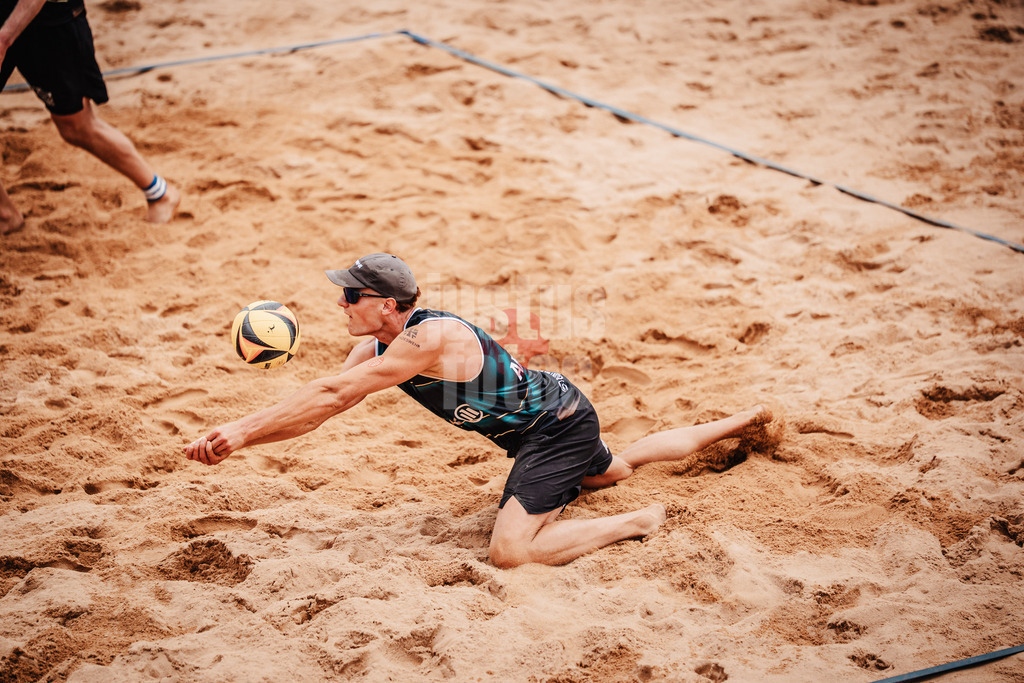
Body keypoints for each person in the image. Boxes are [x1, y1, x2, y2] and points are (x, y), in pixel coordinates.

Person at [183, 253, 773, 568]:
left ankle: (637, 522)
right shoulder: (374, 345)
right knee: (611, 470)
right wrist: (241, 441)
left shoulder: (430, 338)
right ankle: (747, 418)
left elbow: (332, 394)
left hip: (553, 427)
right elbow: (320, 410)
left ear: (388, 304)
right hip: (559, 410)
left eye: (352, 295)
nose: (340, 301)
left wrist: (238, 426)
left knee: (510, 552)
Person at [0, 0, 180, 234]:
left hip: (47, 19)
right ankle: (4, 214)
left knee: (77, 127)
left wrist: (5, 38)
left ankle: (160, 193)